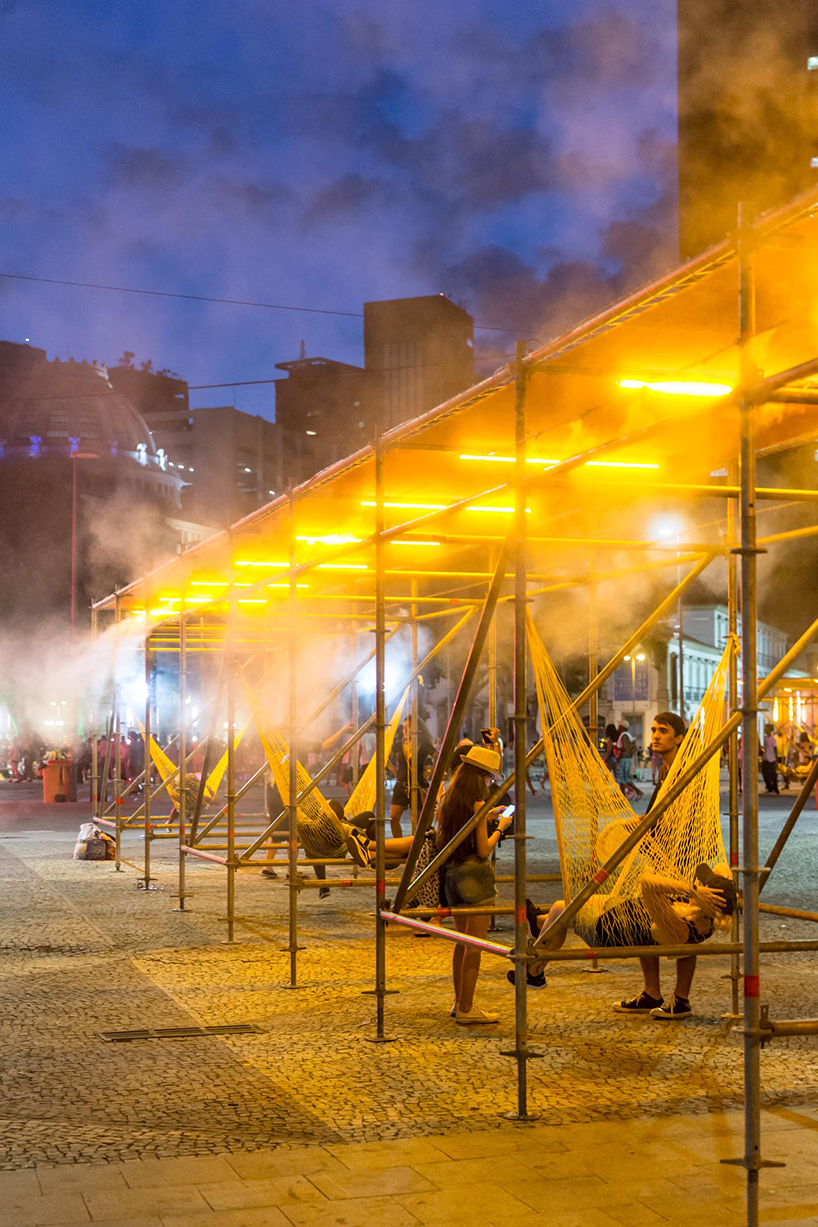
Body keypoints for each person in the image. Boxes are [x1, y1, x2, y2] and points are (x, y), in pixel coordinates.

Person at [524, 862, 736, 1015]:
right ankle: (539, 922)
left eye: (701, 884)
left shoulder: (679, 927)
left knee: (561, 908)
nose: (696, 881)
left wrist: (693, 890)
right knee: (558, 913)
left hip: (606, 929)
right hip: (621, 912)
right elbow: (721, 868)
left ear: (705, 901)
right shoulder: (701, 918)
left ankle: (535, 971)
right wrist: (720, 886)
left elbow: (648, 883)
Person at [434, 745, 513, 1024]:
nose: (490, 783)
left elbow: (457, 829)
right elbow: (482, 849)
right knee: (475, 946)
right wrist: (500, 827)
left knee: (461, 942)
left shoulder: (449, 799)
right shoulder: (477, 805)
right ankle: (467, 1008)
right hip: (475, 877)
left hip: (453, 876)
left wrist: (488, 817)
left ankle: (459, 1003)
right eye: (490, 778)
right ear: (480, 777)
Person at [389, 717, 435, 837]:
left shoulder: (424, 746)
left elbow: (440, 757)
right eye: (403, 727)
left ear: (416, 728)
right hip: (401, 786)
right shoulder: (399, 745)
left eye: (408, 727)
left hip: (418, 786)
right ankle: (400, 845)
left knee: (417, 822)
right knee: (393, 818)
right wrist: (394, 770)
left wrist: (430, 771)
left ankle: (414, 849)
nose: (404, 730)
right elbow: (383, 755)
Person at [761, 723, 780, 795]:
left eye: (766, 728)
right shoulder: (764, 738)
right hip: (765, 758)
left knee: (772, 774)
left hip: (771, 758)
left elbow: (775, 749)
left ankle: (775, 788)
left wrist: (776, 759)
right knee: (765, 773)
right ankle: (769, 787)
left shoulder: (773, 739)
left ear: (769, 730)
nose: (765, 730)